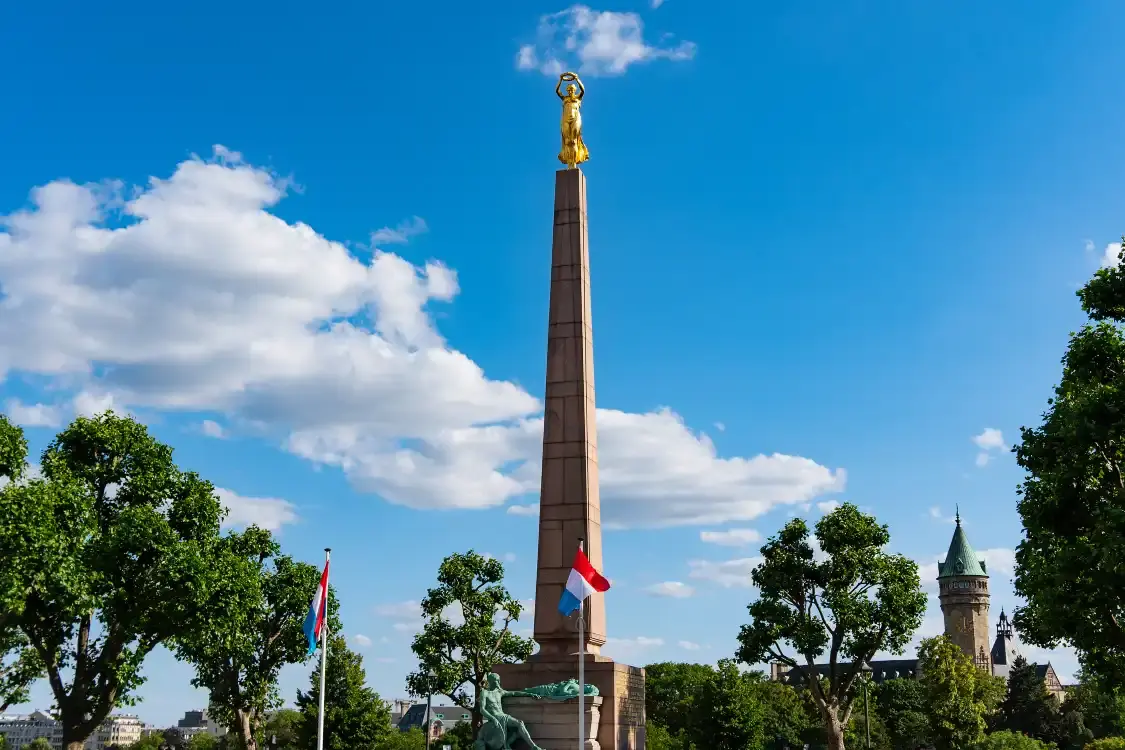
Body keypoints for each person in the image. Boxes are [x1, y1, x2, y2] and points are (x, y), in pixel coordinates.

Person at [475, 672, 545, 750]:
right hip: (494, 717)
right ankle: (507, 744)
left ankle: (534, 747)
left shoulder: (500, 692)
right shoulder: (485, 693)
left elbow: (514, 693)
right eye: (496, 681)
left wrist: (529, 694)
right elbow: (482, 709)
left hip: (503, 716)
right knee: (517, 726)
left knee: (520, 723)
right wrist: (493, 719)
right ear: (491, 681)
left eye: (498, 681)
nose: (498, 683)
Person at [556, 73, 589, 169]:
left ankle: (574, 163)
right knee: (567, 141)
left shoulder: (578, 98)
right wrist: (561, 80)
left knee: (574, 141)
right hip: (566, 119)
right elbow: (557, 91)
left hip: (575, 118)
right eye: (569, 90)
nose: (570, 91)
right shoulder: (565, 98)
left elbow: (583, 90)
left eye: (572, 90)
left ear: (574, 90)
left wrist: (577, 79)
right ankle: (569, 162)